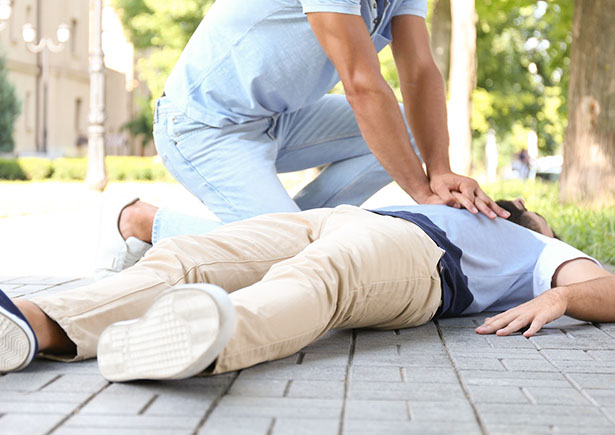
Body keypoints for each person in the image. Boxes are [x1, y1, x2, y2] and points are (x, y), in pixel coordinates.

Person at [103, 0, 510, 273]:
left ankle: (296, 232)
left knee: (403, 130)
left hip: (279, 119)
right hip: (204, 125)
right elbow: (362, 85)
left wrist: (440, 172)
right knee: (291, 255)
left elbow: (420, 73)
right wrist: (423, 195)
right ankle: (144, 222)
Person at [2, 199, 613, 381]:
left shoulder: (543, 249)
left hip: (422, 262)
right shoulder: (475, 207)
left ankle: (198, 342)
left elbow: (607, 291)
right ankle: (32, 323)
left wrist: (559, 297)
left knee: (319, 280)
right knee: (188, 258)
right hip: (340, 216)